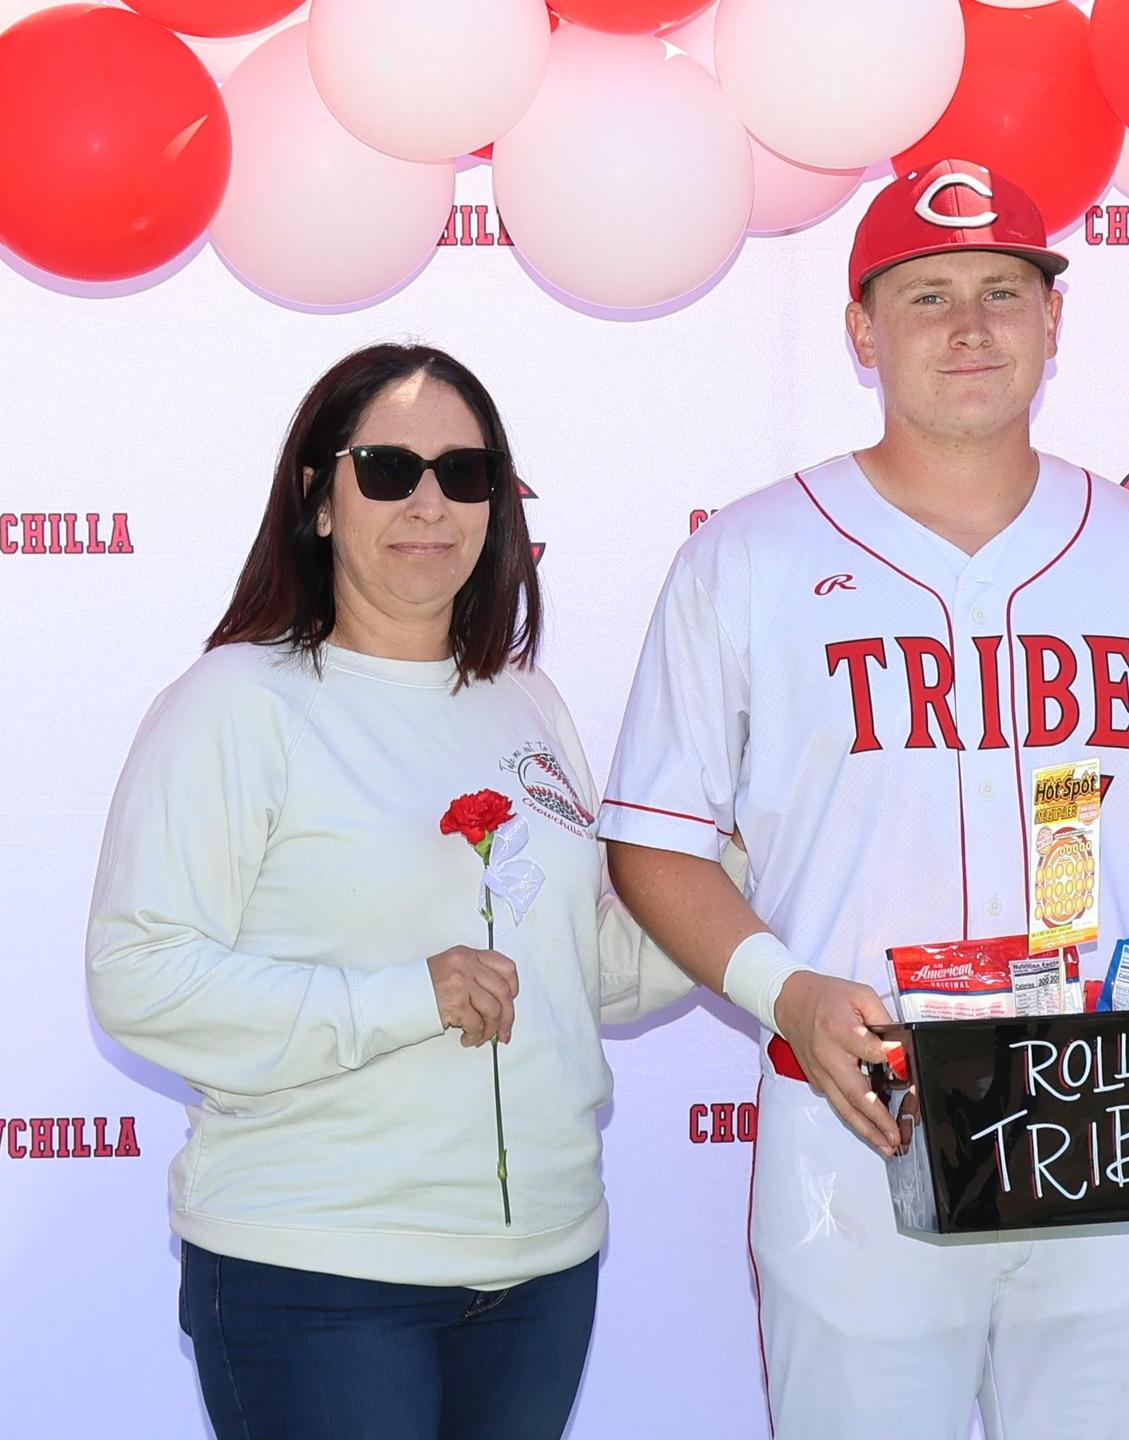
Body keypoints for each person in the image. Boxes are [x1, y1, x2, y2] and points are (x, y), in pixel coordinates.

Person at [600, 159, 1129, 1440]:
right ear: (862, 330)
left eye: (1003, 291)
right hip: (862, 1115)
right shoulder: (749, 558)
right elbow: (657, 846)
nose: (970, 326)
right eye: (926, 296)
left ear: (1053, 321)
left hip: (1103, 1121)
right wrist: (784, 994)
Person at [86, 343, 701, 1440]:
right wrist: (405, 996)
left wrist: (736, 869)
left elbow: (579, 972)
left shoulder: (527, 700)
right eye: (387, 468)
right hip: (321, 1271)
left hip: (542, 1268)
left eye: (466, 475)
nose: (429, 502)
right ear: (318, 500)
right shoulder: (237, 703)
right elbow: (139, 978)